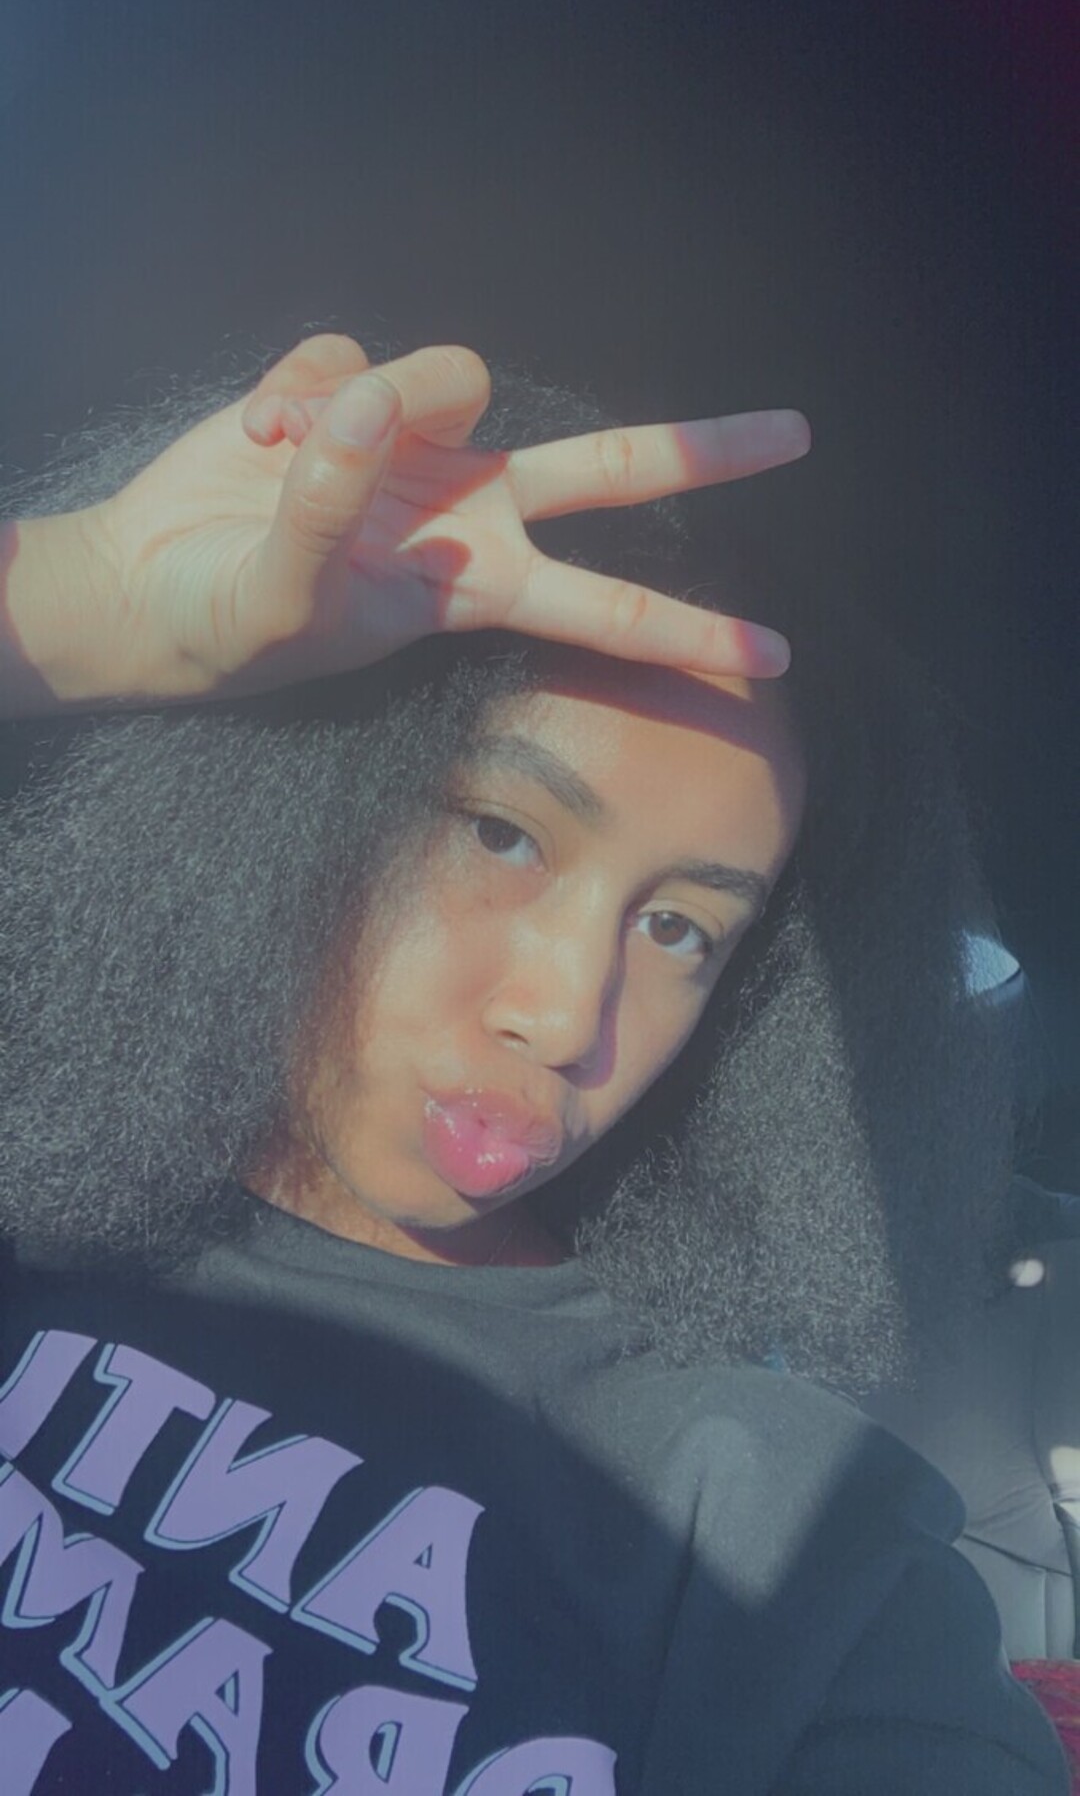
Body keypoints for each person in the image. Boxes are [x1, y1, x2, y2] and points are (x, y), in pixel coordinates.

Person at [0, 333, 1065, 1792]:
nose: (569, 1016)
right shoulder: (38, 1188)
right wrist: (87, 603)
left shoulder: (779, 1540)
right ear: (299, 802)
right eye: (501, 834)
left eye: (681, 929)